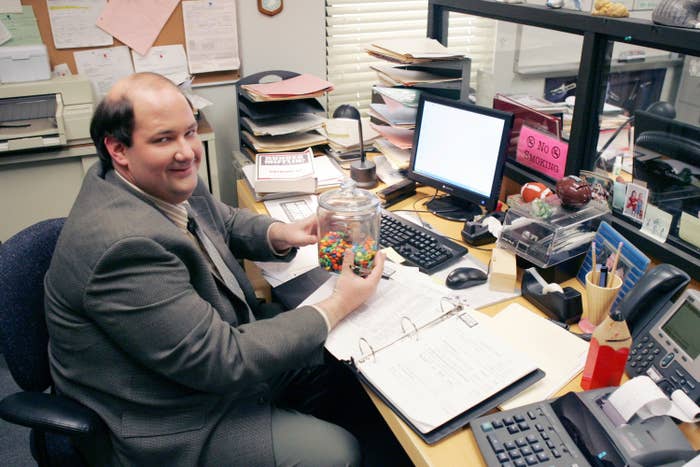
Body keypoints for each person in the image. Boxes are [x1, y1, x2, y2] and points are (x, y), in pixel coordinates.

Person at [44, 72, 386, 466]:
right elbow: (221, 360)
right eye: (163, 139)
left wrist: (284, 231)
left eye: (189, 132)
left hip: (199, 364)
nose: (187, 151)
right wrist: (338, 303)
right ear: (118, 149)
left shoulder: (150, 180)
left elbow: (221, 222)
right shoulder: (122, 246)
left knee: (343, 366)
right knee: (335, 455)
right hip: (170, 416)